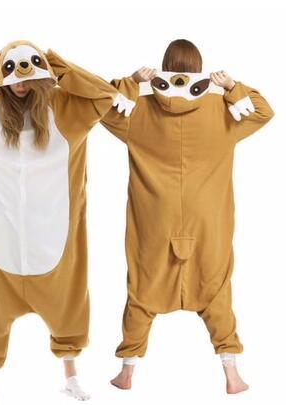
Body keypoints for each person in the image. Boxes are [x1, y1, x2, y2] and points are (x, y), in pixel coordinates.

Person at [0, 39, 131, 404]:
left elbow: (104, 96)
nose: (20, 82)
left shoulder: (64, 110)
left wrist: (58, 67)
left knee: (68, 312)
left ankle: (71, 378)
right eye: (11, 72)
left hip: (52, 237)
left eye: (29, 72)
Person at [101, 38, 274, 394]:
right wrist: (232, 87)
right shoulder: (222, 111)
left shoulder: (139, 111)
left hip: (155, 217)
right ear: (199, 68)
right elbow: (263, 112)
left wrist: (131, 83)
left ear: (165, 66)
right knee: (215, 288)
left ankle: (127, 372)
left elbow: (100, 106)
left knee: (143, 288)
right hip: (207, 217)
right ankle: (232, 375)